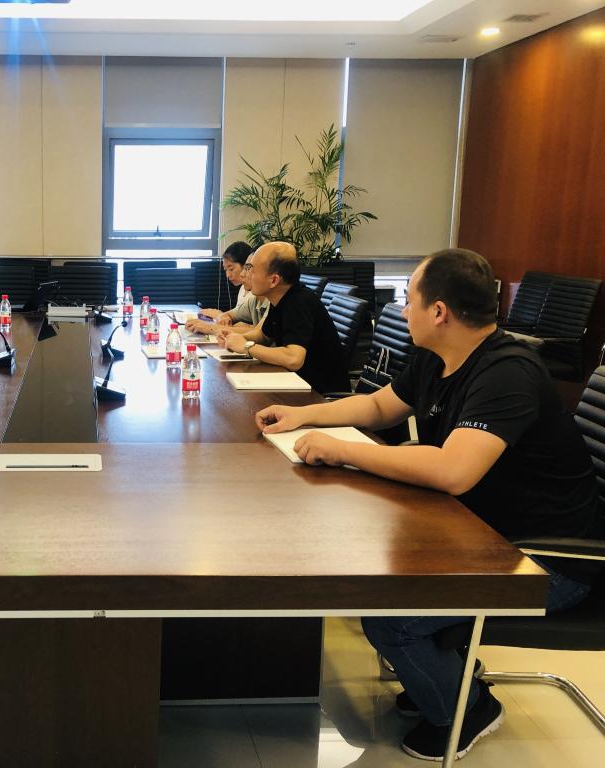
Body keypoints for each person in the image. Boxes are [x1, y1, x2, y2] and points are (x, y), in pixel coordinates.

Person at [255, 248, 603, 761]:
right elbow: (380, 406)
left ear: (438, 312)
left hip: (547, 561)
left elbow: (454, 471)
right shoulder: (438, 357)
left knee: (390, 617)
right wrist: (305, 416)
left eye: (409, 299)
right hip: (483, 531)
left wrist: (344, 451)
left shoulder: (506, 372)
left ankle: (470, 709)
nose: (402, 309)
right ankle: (445, 672)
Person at [216, 242, 349, 393]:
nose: (245, 275)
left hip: (320, 394)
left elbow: (294, 359)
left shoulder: (299, 302)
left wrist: (246, 347)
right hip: (295, 383)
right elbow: (264, 336)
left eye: (251, 269)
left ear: (274, 280)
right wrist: (235, 338)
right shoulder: (279, 297)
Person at [192, 241, 267, 332]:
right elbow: (234, 317)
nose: (227, 275)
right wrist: (223, 317)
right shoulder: (252, 299)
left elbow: (260, 333)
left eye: (248, 268)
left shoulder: (271, 303)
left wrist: (211, 326)